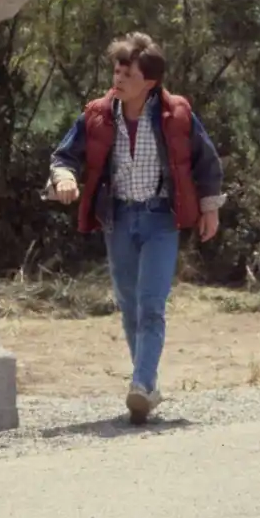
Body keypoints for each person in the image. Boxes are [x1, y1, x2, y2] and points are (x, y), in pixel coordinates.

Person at [45, 32, 225, 424]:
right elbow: (65, 155)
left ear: (150, 80)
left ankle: (141, 386)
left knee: (151, 306)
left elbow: (205, 160)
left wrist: (210, 207)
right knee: (128, 306)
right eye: (116, 70)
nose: (119, 78)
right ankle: (147, 385)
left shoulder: (176, 114)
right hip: (119, 219)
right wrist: (64, 178)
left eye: (128, 73)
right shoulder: (97, 114)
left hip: (161, 218)